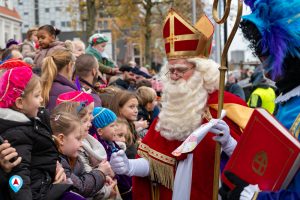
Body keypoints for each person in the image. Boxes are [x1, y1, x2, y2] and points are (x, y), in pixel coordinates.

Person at [109, 9, 251, 200]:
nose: (174, 76)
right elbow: (156, 164)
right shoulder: (171, 109)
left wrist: (229, 144)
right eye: (171, 71)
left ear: (202, 71)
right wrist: (129, 166)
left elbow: (254, 162)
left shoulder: (228, 105)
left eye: (180, 70)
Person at [218, 0, 300, 199]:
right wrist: (231, 144)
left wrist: (255, 197)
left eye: (266, 57)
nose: (262, 66)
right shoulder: (287, 101)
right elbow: (272, 161)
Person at [0, 67, 72, 200]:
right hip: (40, 193)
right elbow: (19, 177)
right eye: (37, 96)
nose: (41, 100)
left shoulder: (32, 121)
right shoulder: (17, 133)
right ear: (20, 102)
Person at [92, 107, 132, 200]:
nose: (116, 129)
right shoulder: (101, 151)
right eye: (112, 126)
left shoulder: (111, 143)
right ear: (100, 131)